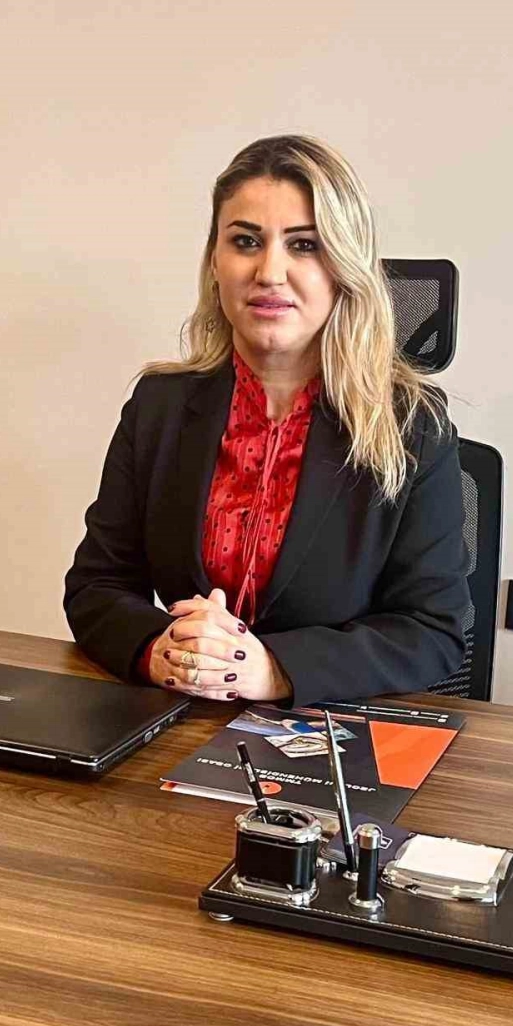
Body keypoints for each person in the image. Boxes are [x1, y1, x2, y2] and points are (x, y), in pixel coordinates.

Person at [64, 134, 470, 708]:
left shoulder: (413, 428)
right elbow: (96, 586)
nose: (270, 271)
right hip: (179, 719)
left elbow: (432, 633)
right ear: (215, 261)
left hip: (325, 730)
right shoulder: (160, 406)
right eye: (246, 241)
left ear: (344, 267)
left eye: (304, 245)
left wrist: (271, 670)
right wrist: (160, 649)